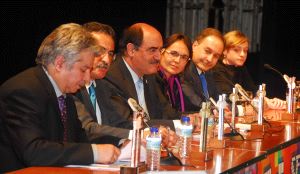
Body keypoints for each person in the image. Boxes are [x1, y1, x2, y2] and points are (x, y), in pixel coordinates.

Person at [0, 23, 120, 172]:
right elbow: (33, 151)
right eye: (84, 70)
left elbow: (80, 139)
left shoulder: (65, 95)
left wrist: (123, 143)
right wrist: (95, 153)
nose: (87, 79)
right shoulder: (23, 90)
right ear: (60, 63)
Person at [103, 23, 179, 146]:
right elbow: (125, 123)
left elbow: (166, 112)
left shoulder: (151, 76)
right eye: (152, 50)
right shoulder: (111, 77)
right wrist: (172, 126)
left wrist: (190, 119)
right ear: (131, 50)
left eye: (160, 50)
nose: (159, 57)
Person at [74, 22, 131, 142]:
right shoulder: (72, 86)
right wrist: (134, 136)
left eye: (110, 54)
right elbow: (88, 128)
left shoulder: (102, 85)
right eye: (100, 51)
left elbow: (118, 123)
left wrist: (149, 131)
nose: (106, 60)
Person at [212, 30, 285, 111]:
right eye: (237, 50)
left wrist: (270, 101)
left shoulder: (241, 68)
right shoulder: (216, 69)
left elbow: (252, 91)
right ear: (225, 50)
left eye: (245, 50)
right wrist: (264, 103)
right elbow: (230, 98)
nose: (242, 54)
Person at [182, 28, 224, 112]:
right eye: (207, 51)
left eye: (216, 56)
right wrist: (218, 110)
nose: (210, 59)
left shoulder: (209, 72)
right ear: (194, 46)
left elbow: (219, 99)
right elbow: (196, 103)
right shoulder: (183, 69)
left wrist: (226, 109)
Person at [156, 33, 192, 113]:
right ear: (162, 51)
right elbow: (164, 113)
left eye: (184, 57)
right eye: (173, 54)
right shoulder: (151, 77)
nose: (177, 60)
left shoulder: (176, 80)